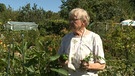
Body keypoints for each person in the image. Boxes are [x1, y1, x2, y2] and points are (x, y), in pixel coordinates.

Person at [58, 8, 106, 76]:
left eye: (74, 20)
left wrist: (88, 66)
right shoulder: (66, 38)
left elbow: (102, 65)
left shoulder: (94, 38)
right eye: (70, 20)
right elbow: (58, 58)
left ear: (84, 22)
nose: (71, 22)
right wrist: (62, 61)